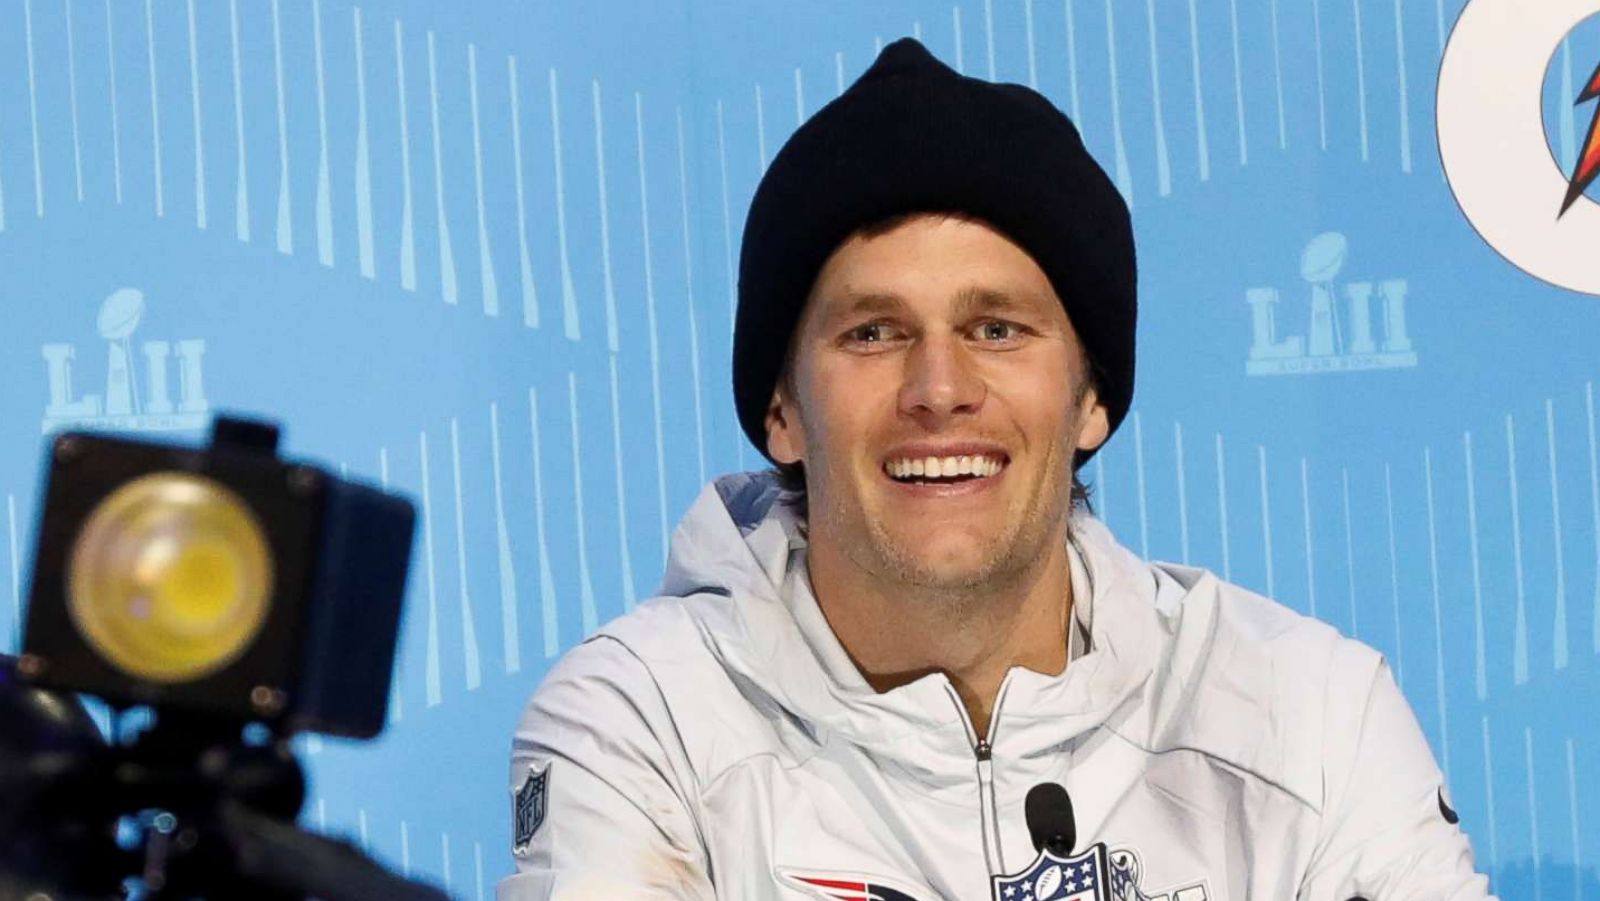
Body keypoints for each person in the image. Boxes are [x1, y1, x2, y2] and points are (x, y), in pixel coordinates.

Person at [496, 38, 1494, 901]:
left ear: (1092, 397)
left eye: (997, 328)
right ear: (781, 410)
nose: (939, 386)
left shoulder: (1304, 710)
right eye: (874, 331)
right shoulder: (642, 714)